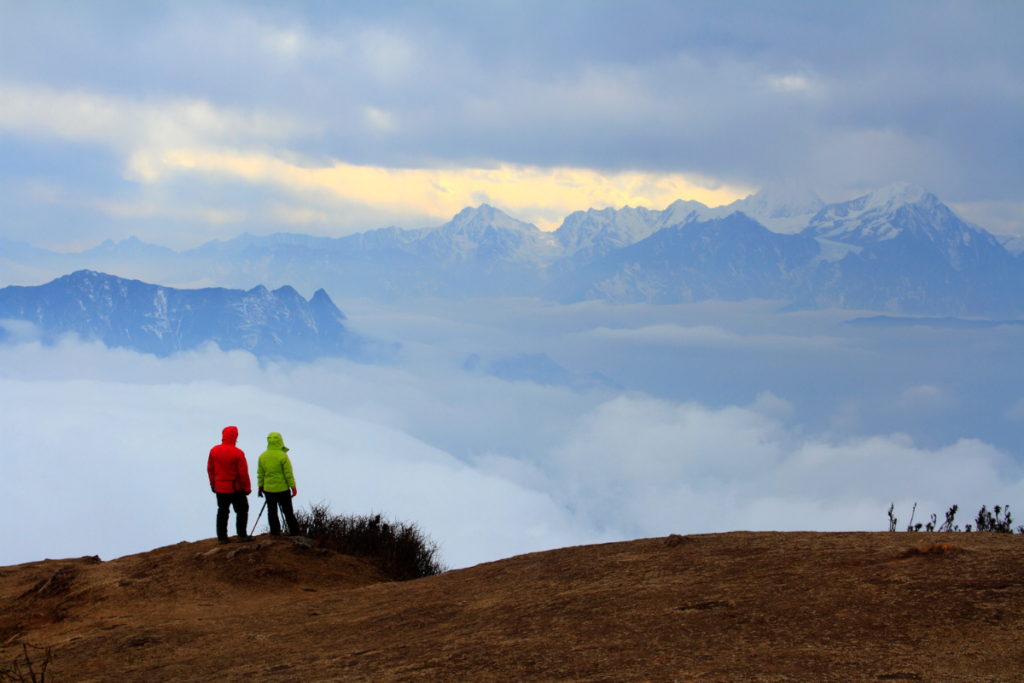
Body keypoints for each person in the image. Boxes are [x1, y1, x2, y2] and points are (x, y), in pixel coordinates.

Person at [207, 426, 252, 543]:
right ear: (235, 437)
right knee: (242, 510)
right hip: (236, 489)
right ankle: (241, 535)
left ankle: (222, 537)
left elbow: (210, 469)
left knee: (222, 511)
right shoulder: (238, 453)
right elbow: (243, 473)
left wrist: (213, 485)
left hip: (220, 489)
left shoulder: (214, 450)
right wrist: (247, 488)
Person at [257, 432, 300, 537]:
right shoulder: (283, 456)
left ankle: (275, 533)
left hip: (268, 490)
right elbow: (288, 474)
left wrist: (260, 486)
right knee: (288, 512)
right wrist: (293, 487)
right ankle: (295, 533)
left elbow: (260, 474)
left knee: (271, 512)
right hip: (282, 489)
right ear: (280, 441)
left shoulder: (262, 456)